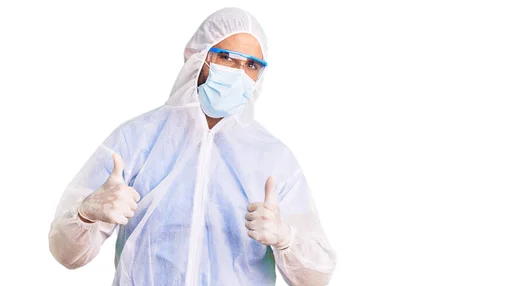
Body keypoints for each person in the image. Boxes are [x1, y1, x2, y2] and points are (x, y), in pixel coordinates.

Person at [48, 7, 337, 286]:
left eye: (251, 65)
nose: (239, 72)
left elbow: (316, 278)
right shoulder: (136, 139)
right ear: (199, 58)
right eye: (227, 57)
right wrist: (87, 213)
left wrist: (285, 238)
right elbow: (67, 255)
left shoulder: (273, 158)